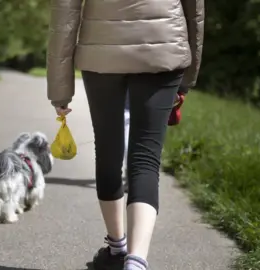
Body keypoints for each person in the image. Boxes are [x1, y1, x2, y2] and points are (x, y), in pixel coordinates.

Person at [46, 0, 204, 269]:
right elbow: (196, 10)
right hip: (163, 46)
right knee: (145, 158)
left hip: (101, 53)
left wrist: (60, 89)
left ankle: (117, 248)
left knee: (107, 149)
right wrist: (189, 74)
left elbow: (65, 12)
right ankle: (136, 260)